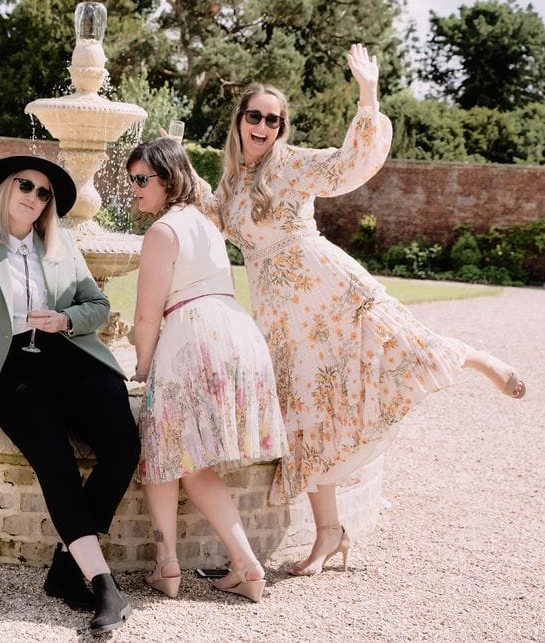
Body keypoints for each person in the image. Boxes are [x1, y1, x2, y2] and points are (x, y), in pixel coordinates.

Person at [214, 44, 526, 577]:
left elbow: (347, 166)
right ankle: (328, 535)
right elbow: (207, 217)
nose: (263, 126)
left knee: (398, 341)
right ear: (239, 121)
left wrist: (367, 92)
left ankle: (476, 358)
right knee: (308, 415)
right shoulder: (229, 184)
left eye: (274, 119)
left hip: (324, 284)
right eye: (255, 116)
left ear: (281, 126)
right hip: (281, 315)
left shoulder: (290, 164)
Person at [0, 155, 140, 634]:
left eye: (45, 193)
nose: (34, 197)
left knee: (123, 445)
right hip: (12, 371)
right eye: (27, 185)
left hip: (71, 357)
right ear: (7, 187)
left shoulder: (61, 243)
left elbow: (99, 305)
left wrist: (66, 320)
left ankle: (66, 569)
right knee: (55, 460)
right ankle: (103, 584)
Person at [128, 138, 286, 603]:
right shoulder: (206, 223)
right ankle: (246, 565)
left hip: (192, 338)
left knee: (160, 450)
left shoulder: (162, 231)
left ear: (169, 179)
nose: (134, 190)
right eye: (131, 180)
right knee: (189, 463)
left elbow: (144, 316)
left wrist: (141, 367)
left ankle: (169, 566)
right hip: (235, 332)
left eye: (142, 180)